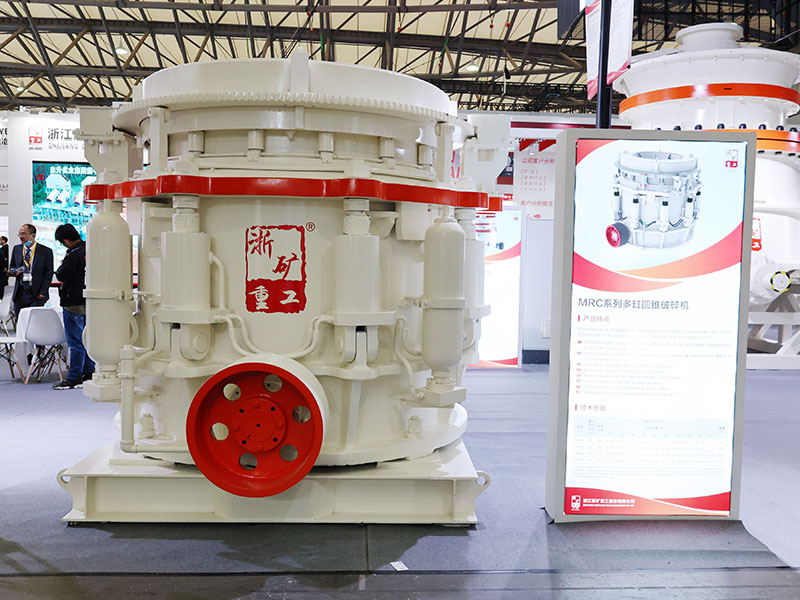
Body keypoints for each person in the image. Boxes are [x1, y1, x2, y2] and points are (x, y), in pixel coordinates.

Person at [53, 224, 94, 390]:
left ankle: (75, 376)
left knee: (76, 342)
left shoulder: (73, 255)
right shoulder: (90, 250)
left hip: (73, 303)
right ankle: (89, 372)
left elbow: (62, 274)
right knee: (88, 340)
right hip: (89, 302)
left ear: (65, 241)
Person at [8, 223, 53, 316]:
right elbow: (11, 268)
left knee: (33, 320)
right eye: (19, 234)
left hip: (36, 293)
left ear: (33, 235)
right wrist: (14, 272)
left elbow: (48, 274)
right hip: (20, 293)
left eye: (23, 234)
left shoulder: (45, 251)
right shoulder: (17, 249)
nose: (21, 236)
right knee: (20, 320)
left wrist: (43, 292)